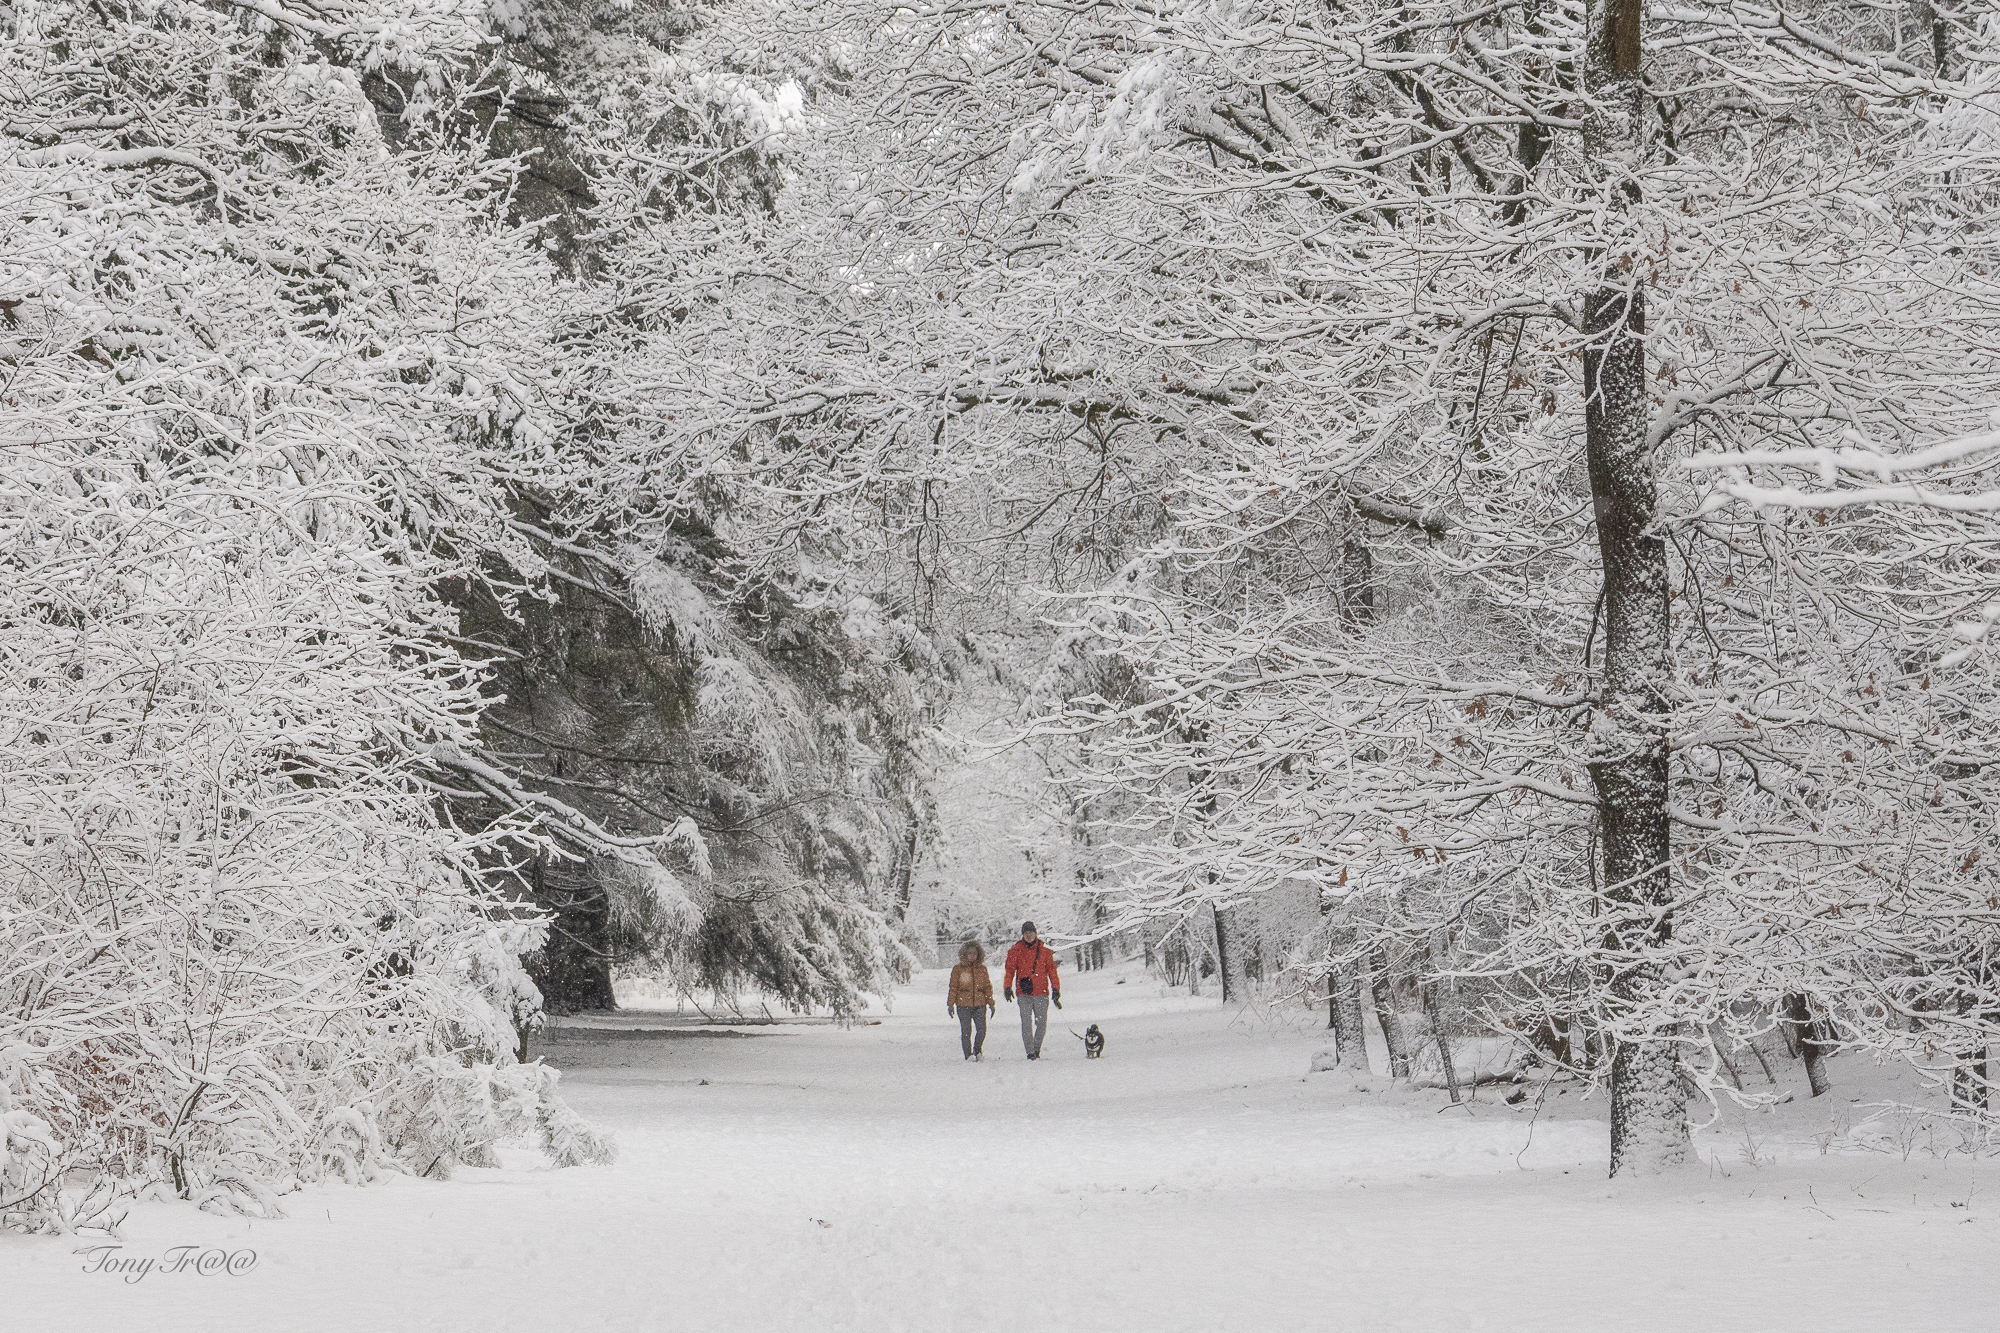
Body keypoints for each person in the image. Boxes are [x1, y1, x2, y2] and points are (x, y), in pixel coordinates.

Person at [1003, 921, 1062, 1059]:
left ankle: (1036, 1048)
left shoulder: (1044, 949)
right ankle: (1030, 1052)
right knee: (1026, 1023)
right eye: (1026, 933)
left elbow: (1052, 970)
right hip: (1023, 993)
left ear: (1036, 933)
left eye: (1031, 933)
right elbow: (1010, 970)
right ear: (1022, 934)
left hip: (1041, 992)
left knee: (1041, 1023)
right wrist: (1007, 987)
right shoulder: (1015, 950)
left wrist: (1055, 988)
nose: (1028, 935)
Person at [946, 940, 995, 1060]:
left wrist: (991, 1003)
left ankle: (977, 1050)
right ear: (964, 954)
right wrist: (950, 1003)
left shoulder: (982, 969)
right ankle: (968, 1055)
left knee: (982, 1030)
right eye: (970, 953)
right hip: (963, 1005)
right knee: (966, 1031)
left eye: (975, 953)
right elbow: (953, 987)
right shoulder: (958, 969)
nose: (972, 955)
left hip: (980, 1004)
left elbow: (987, 987)